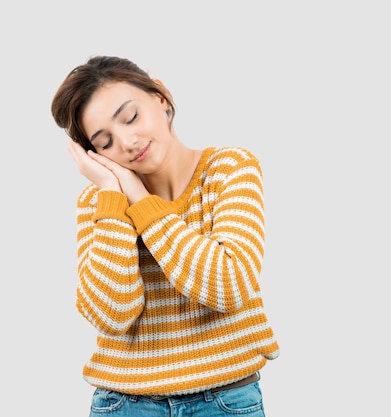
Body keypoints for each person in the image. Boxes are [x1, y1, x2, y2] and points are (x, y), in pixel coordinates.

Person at [50, 55, 280, 416]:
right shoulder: (98, 201)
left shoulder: (230, 169)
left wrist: (139, 200)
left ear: (161, 98)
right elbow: (112, 315)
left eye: (131, 117)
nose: (127, 141)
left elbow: (230, 284)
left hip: (226, 401)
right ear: (95, 156)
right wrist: (114, 195)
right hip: (123, 404)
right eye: (105, 141)